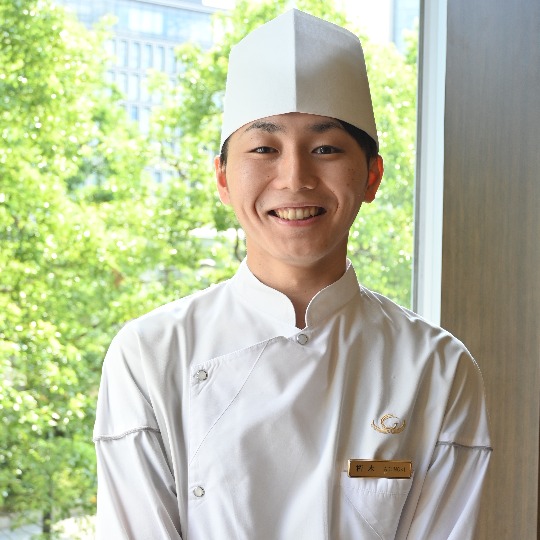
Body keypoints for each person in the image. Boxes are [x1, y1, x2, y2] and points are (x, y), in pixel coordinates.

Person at [93, 9, 492, 539]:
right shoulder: (150, 355)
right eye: (264, 149)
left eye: (326, 149)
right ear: (223, 179)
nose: (295, 178)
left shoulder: (437, 369)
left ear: (372, 176)